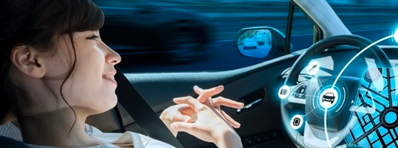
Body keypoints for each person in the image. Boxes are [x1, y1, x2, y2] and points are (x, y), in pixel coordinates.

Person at [0, 0, 244, 147]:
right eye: (92, 37)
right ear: (31, 60)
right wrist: (227, 138)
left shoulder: (77, 135)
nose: (115, 56)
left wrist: (165, 128)